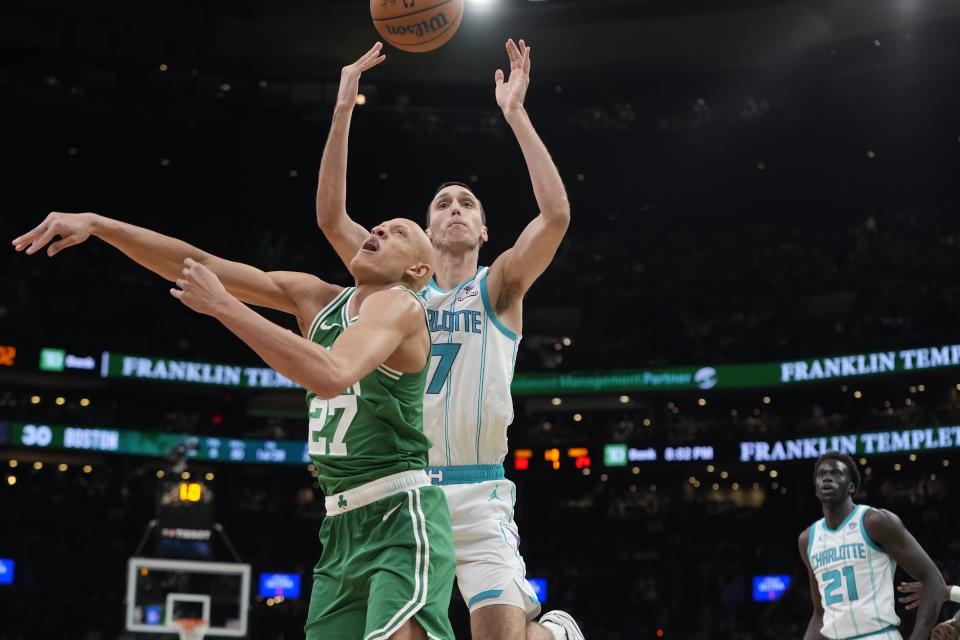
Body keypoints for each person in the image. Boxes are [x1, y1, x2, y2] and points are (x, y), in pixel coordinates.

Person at [12, 211, 456, 640]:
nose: (379, 227)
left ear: (419, 269)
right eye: (382, 224)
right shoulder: (316, 299)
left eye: (398, 232)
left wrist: (225, 307)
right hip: (340, 522)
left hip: (399, 512)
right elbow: (197, 264)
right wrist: (101, 225)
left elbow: (330, 374)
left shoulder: (400, 304)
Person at [314, 41, 583, 640]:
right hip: (407, 496)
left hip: (480, 489)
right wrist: (342, 107)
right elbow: (333, 221)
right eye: (443, 204)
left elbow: (557, 215)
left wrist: (516, 113)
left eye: (467, 204)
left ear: (484, 231)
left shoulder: (501, 287)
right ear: (426, 234)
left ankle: (555, 631)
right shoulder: (396, 290)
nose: (455, 208)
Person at [798, 451, 945, 640]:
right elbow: (819, 614)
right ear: (816, 489)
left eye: (836, 474)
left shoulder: (876, 522)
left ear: (852, 487)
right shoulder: (807, 539)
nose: (827, 478)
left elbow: (934, 580)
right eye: (821, 475)